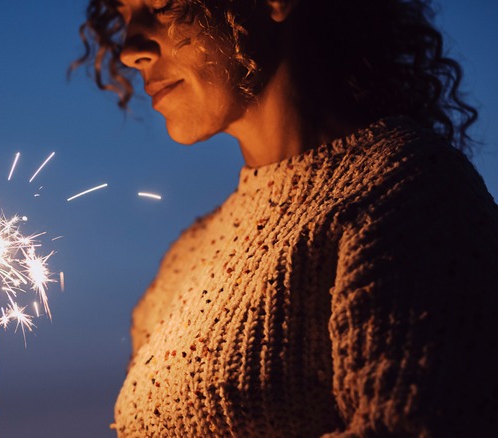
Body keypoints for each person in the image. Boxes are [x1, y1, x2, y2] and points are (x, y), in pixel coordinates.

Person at [73, 0, 498, 436]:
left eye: (161, 4)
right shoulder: (182, 263)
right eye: (124, 14)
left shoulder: (406, 195)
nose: (129, 48)